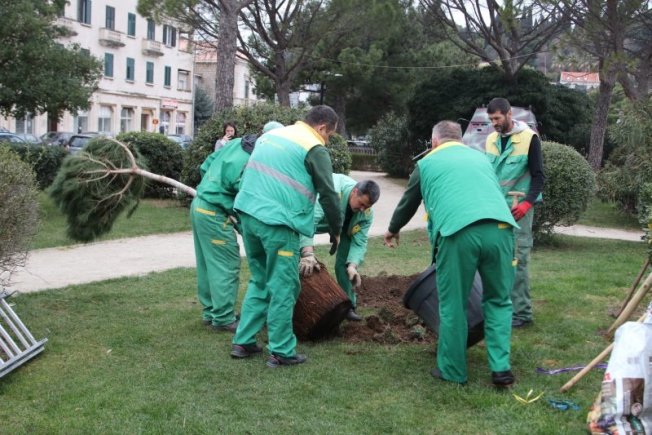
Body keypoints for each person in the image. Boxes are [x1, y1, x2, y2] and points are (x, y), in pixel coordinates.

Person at [383, 120, 517, 387]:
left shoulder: (426, 164)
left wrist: (392, 229)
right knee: (499, 300)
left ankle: (453, 370)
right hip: (501, 229)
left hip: (459, 232)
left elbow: (408, 202)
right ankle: (501, 369)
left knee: (453, 304)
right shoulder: (482, 159)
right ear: (460, 140)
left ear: (434, 141)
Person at [230, 106, 343, 368]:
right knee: (284, 286)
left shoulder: (273, 135)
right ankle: (281, 350)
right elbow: (328, 193)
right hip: (278, 224)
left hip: (248, 215)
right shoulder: (313, 147)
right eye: (329, 135)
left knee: (260, 280)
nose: (327, 141)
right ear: (322, 127)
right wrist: (336, 229)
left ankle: (243, 341)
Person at [190, 121, 284, 332]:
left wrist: (212, 189)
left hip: (199, 205)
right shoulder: (254, 160)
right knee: (226, 263)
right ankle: (223, 318)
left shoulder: (236, 143)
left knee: (207, 263)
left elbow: (205, 166)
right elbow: (246, 196)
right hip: (214, 213)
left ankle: (211, 311)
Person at [485, 98, 545, 329]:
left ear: (509, 114)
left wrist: (527, 204)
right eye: (491, 119)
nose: (494, 123)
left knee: (518, 259)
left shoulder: (529, 138)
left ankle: (522, 313)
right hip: (496, 208)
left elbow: (539, 176)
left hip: (519, 210)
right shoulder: (491, 139)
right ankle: (501, 306)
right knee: (496, 259)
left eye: (497, 118)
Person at [298, 174, 380, 321]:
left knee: (346, 265)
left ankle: (348, 307)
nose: (363, 209)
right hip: (310, 217)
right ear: (355, 192)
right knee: (292, 255)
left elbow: (359, 242)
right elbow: (309, 221)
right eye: (361, 204)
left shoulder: (366, 214)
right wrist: (307, 253)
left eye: (367, 207)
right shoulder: (332, 192)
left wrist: (353, 266)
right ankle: (282, 302)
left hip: (345, 227)